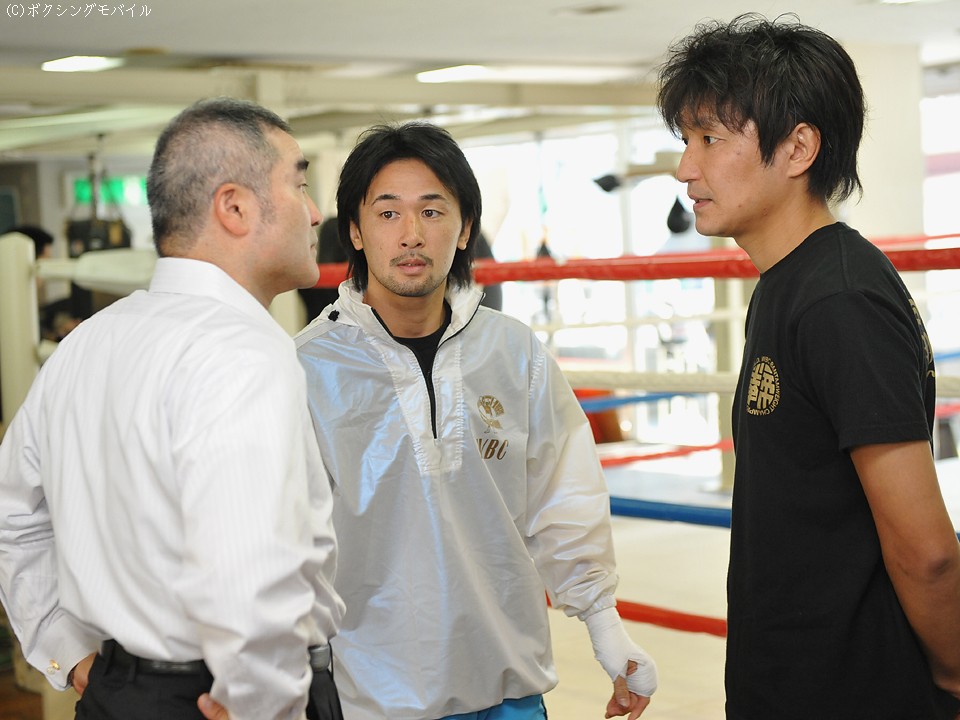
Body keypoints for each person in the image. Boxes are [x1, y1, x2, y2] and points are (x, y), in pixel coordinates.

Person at [294, 121, 657, 720]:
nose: (411, 234)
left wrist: (605, 628)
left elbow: (564, 495)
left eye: (432, 211)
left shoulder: (514, 352)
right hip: (371, 696)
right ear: (354, 231)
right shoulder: (306, 370)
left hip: (508, 688)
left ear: (465, 229)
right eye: (388, 213)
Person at [0, 97, 345, 720]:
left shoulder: (86, 343)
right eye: (298, 183)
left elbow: (13, 515)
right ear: (234, 207)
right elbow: (251, 570)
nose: (316, 210)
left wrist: (65, 650)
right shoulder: (243, 353)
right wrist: (263, 704)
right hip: (216, 701)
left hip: (115, 693)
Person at [656, 13, 960, 719]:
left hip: (859, 693)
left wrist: (954, 676)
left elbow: (926, 551)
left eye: (709, 139)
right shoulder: (787, 283)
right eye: (685, 141)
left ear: (798, 148)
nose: (686, 168)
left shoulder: (841, 300)